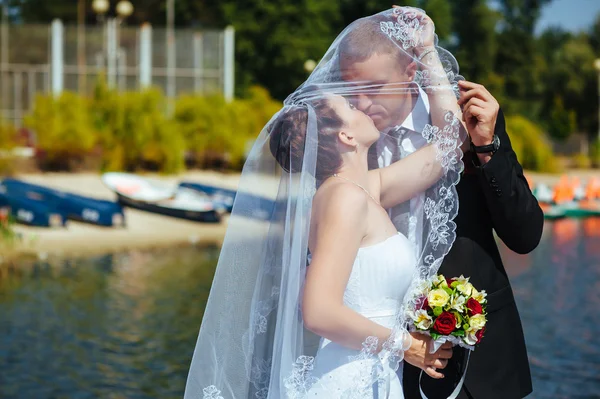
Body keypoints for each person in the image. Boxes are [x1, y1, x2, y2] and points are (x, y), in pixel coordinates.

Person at [184, 8, 467, 399]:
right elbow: (317, 311)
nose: (362, 105)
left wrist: (427, 51)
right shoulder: (344, 199)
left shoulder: (364, 189)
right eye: (350, 105)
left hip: (372, 375)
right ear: (348, 138)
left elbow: (450, 144)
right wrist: (409, 347)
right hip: (347, 381)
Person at [337, 6, 544, 399]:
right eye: (352, 89)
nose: (361, 104)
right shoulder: (345, 136)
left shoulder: (470, 118)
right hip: (384, 362)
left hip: (482, 367)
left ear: (409, 73)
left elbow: (525, 235)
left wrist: (487, 148)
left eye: (374, 88)